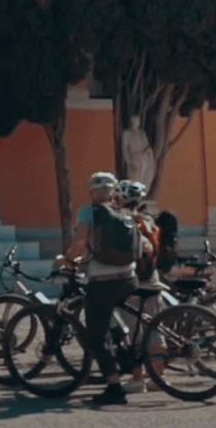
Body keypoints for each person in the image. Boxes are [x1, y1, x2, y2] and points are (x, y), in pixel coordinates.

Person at [65, 171, 139, 407]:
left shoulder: (89, 211)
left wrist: (67, 260)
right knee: (110, 311)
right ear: (114, 190)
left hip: (102, 280)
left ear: (91, 191)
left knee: (95, 338)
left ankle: (114, 387)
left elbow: (80, 241)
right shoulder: (124, 211)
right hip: (129, 278)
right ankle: (122, 339)